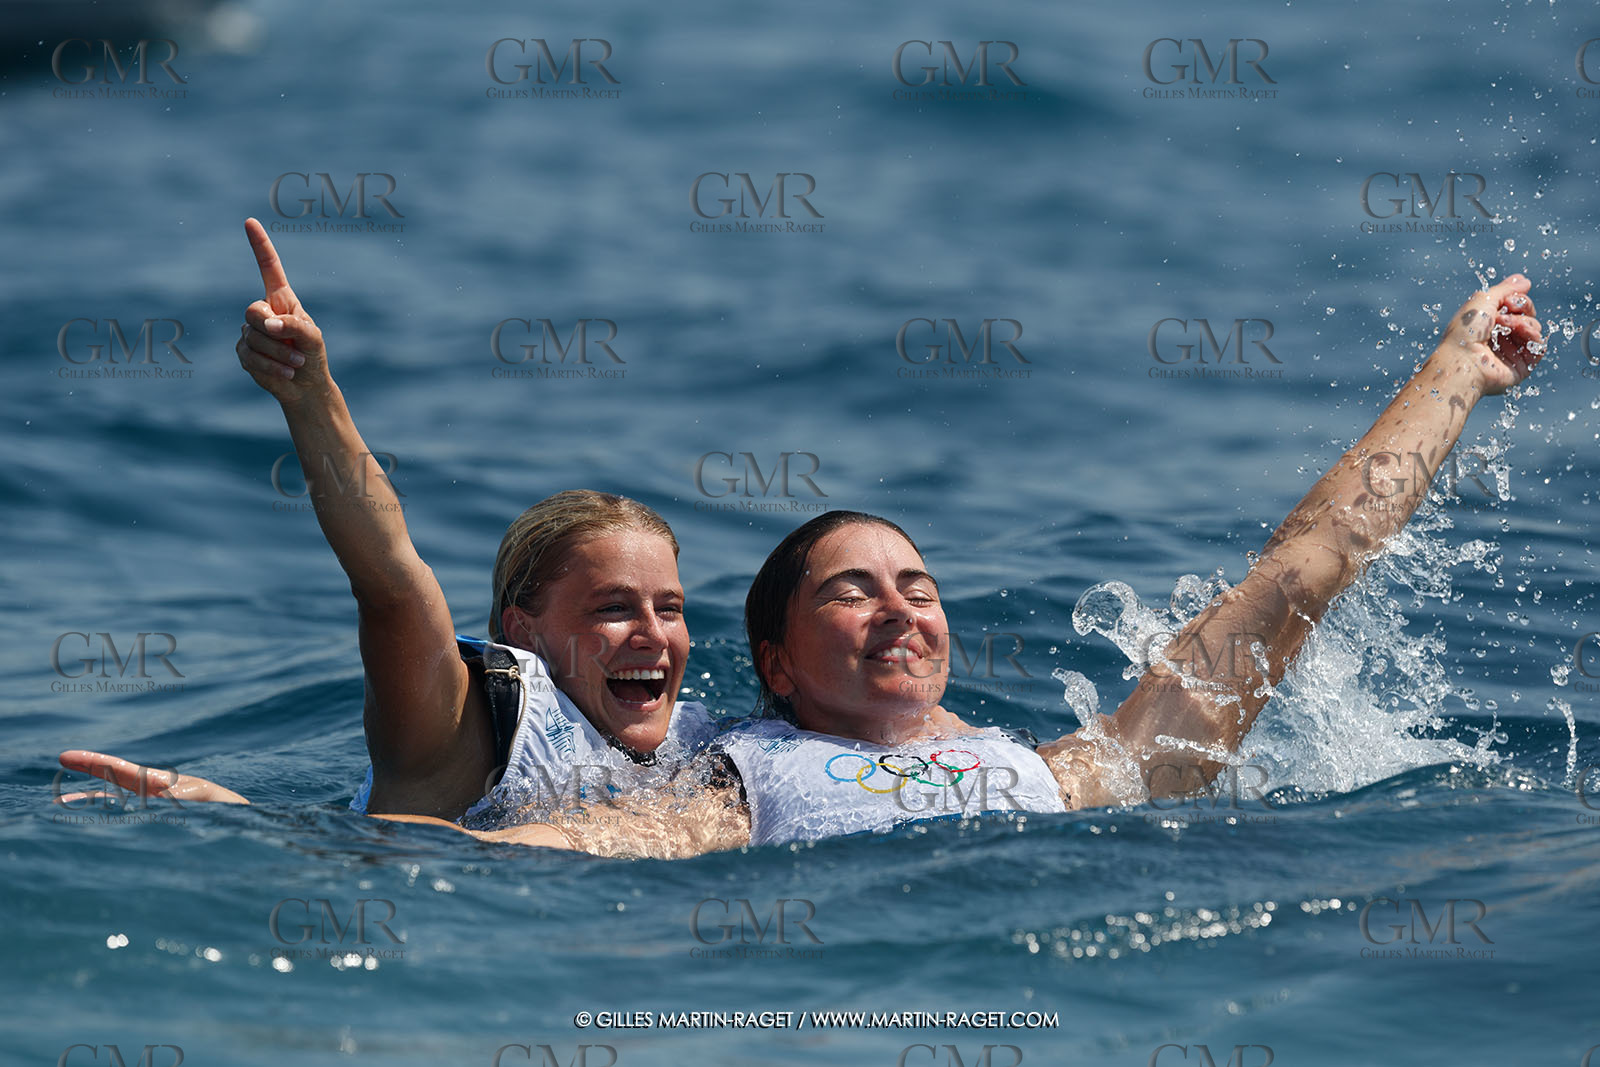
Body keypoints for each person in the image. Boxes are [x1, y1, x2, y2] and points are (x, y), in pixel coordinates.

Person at [61, 272, 1546, 857]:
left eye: (916, 582)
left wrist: (1460, 371)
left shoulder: (1087, 767)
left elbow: (1307, 567)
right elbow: (485, 839)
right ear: (773, 665)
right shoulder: (735, 787)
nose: (898, 603)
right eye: (851, 587)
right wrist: (257, 826)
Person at [57, 221, 719, 837]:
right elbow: (392, 580)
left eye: (671, 608)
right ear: (523, 629)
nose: (654, 634)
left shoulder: (698, 749)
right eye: (614, 607)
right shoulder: (464, 724)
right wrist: (310, 394)